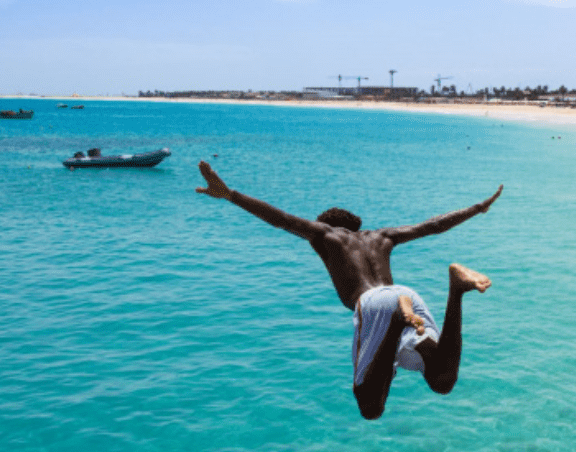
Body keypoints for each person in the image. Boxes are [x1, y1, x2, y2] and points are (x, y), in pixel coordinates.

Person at [195, 161, 502, 420]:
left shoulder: (325, 234)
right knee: (441, 379)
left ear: (327, 225)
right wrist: (477, 208)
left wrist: (231, 195)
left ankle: (397, 320)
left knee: (369, 406)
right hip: (404, 292)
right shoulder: (382, 236)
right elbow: (432, 226)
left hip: (375, 304)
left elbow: (281, 219)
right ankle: (455, 289)